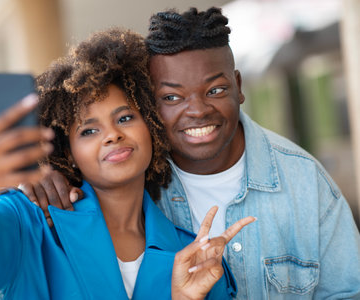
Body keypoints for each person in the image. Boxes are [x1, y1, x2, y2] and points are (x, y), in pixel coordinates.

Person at [21, 7, 360, 299]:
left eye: (215, 90)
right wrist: (42, 170)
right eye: (172, 97)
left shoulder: (303, 181)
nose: (197, 111)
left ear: (239, 87)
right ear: (149, 103)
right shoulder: (130, 171)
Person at [0, 28, 255, 299]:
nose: (112, 135)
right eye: (89, 130)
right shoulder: (32, 221)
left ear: (151, 126)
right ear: (68, 151)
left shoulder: (193, 253)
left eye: (125, 117)